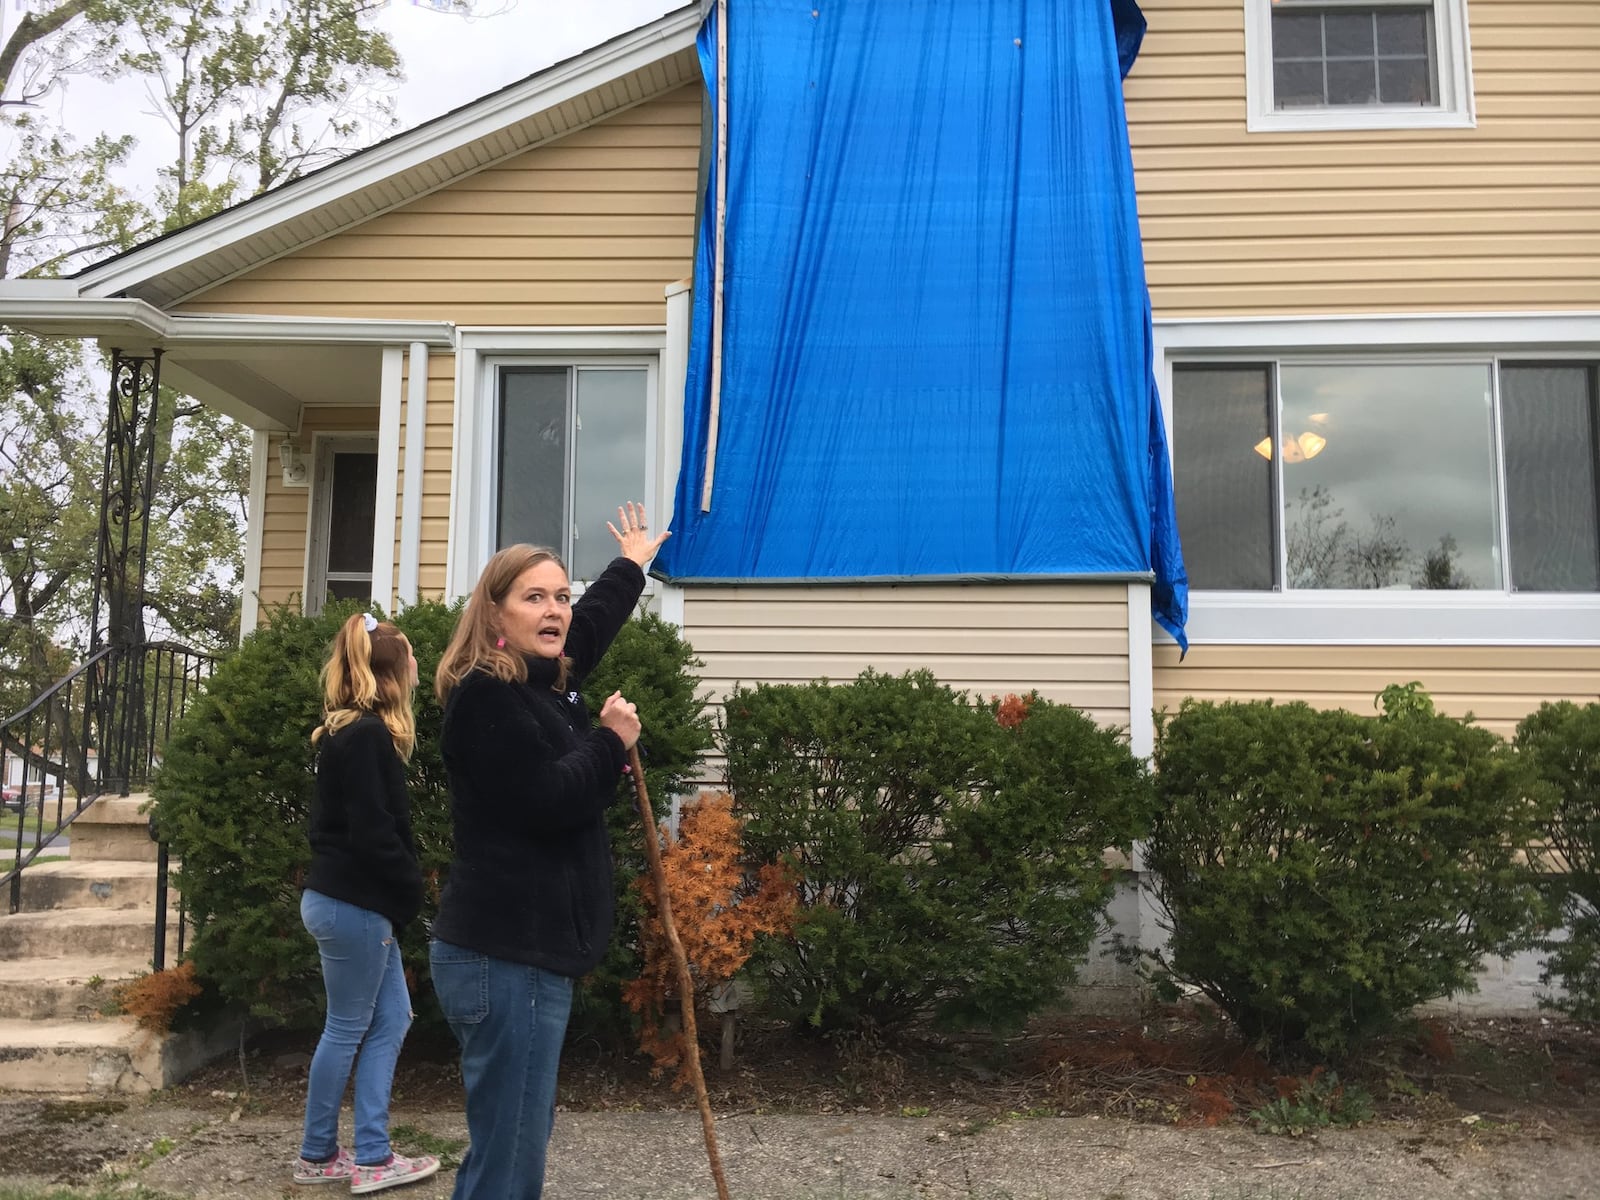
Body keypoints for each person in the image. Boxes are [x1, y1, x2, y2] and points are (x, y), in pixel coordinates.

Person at [429, 503, 669, 1200]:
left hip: (521, 959)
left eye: (561, 596)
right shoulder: (485, 699)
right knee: (509, 1165)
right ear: (495, 615)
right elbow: (547, 800)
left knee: (505, 1149)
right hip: (507, 962)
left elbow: (586, 633)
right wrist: (609, 740)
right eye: (535, 597)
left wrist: (630, 564)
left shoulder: (537, 686)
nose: (556, 609)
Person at [294, 613, 440, 1195]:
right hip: (353, 904)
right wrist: (410, 890)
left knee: (388, 1019)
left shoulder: (349, 732)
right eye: (410, 659)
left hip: (346, 902)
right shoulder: (367, 736)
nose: (417, 668)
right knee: (350, 1026)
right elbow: (374, 833)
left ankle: (351, 1152)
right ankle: (346, 1156)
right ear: (391, 673)